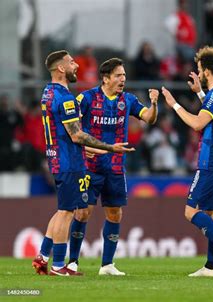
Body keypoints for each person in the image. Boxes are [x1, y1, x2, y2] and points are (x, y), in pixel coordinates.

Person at [32, 50, 134, 276]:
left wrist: (86, 148)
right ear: (61, 69)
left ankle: (43, 256)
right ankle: (59, 265)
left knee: (62, 211)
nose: (76, 65)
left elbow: (66, 135)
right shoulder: (66, 98)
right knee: (67, 212)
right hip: (68, 162)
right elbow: (76, 135)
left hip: (58, 157)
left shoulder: (48, 93)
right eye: (71, 62)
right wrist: (110, 147)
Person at [66, 58, 159, 275]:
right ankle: (73, 262)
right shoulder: (87, 98)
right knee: (82, 213)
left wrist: (154, 104)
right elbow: (71, 125)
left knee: (115, 213)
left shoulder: (128, 100)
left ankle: (107, 265)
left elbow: (148, 118)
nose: (123, 79)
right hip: (90, 167)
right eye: (118, 75)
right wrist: (80, 146)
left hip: (116, 168)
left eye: (124, 76)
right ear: (106, 78)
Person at [161, 46, 213, 277]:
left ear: (206, 71)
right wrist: (198, 93)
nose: (198, 74)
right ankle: (209, 267)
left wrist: (174, 104)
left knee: (190, 212)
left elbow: (198, 123)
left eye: (199, 70)